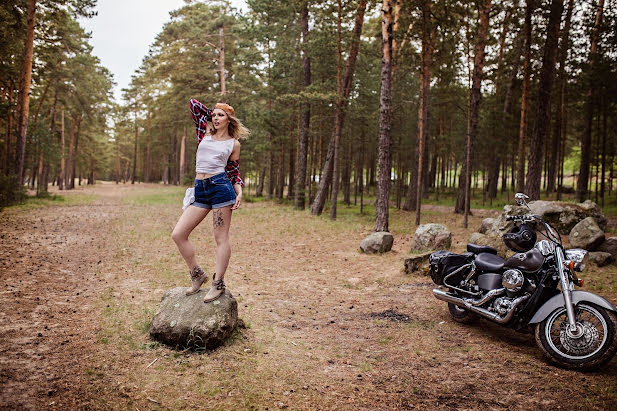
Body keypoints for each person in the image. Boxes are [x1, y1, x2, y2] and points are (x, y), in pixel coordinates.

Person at [171, 99, 249, 302]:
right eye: (213, 115)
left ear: (229, 119)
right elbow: (193, 104)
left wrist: (239, 192)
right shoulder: (204, 131)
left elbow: (233, 172)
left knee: (221, 238)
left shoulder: (234, 144)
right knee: (179, 234)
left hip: (221, 189)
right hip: (200, 190)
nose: (215, 118)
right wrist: (215, 110)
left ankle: (218, 283)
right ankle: (197, 274)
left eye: (220, 115)